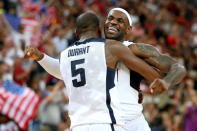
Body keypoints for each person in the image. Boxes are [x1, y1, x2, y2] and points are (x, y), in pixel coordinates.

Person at [25, 8, 186, 131]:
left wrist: (166, 82)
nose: (114, 22)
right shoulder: (93, 49)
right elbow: (63, 72)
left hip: (131, 121)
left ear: (129, 30)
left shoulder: (134, 48)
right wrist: (41, 58)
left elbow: (177, 67)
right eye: (110, 18)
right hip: (104, 120)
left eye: (120, 21)